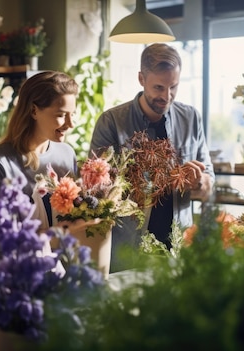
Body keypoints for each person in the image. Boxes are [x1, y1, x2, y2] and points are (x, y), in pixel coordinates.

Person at [89, 43, 215, 272]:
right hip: (127, 250)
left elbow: (208, 184)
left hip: (178, 248)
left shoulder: (191, 118)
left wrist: (199, 182)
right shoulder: (111, 123)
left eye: (173, 87)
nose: (167, 96)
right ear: (141, 78)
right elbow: (95, 192)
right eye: (159, 87)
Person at [0, 71, 93, 284]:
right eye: (61, 114)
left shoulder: (66, 154)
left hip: (52, 279)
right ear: (33, 110)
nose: (70, 123)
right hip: (7, 285)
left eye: (72, 114)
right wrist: (47, 233)